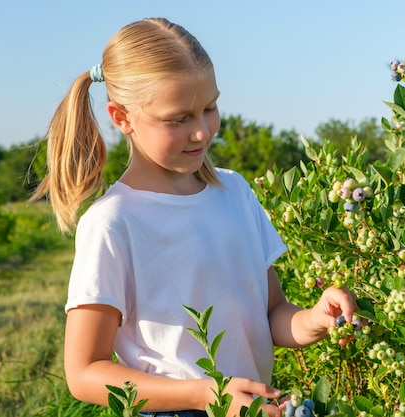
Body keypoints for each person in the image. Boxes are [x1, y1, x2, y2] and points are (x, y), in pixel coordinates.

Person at [31, 17, 357, 417]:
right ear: (122, 118)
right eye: (179, 119)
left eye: (209, 108)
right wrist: (205, 395)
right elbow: (84, 373)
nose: (202, 131)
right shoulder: (114, 222)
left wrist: (314, 319)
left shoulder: (234, 192)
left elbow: (272, 314)